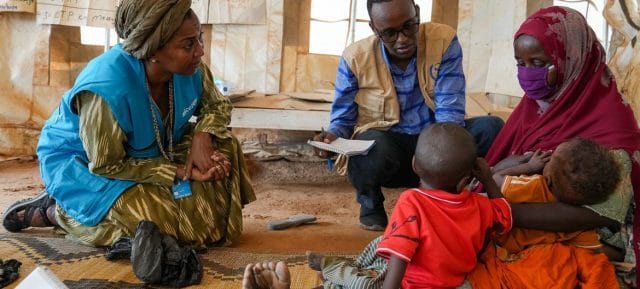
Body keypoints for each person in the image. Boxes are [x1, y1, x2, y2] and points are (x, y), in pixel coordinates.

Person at [1, 0, 255, 249]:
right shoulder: (107, 90)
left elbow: (217, 105)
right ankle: (60, 212)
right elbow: (106, 164)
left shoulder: (193, 69)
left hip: (153, 149)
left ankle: (176, 222)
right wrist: (175, 171)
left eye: (200, 38)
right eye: (188, 44)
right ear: (153, 50)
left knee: (225, 145)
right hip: (85, 165)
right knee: (153, 223)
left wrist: (203, 137)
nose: (200, 51)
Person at [312, 0, 504, 231]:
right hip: (392, 152)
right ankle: (370, 202)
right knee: (366, 145)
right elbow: (342, 120)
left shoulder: (443, 41)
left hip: (437, 146)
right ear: (374, 29)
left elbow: (450, 115)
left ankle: (465, 197)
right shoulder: (355, 58)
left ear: (418, 14)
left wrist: (438, 159)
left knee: (491, 128)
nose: (402, 39)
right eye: (390, 33)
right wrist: (330, 138)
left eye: (408, 26)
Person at [484, 5, 640, 286]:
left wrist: (502, 212)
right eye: (520, 63)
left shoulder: (612, 126)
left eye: (539, 63)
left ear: (572, 58)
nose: (527, 74)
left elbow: (603, 212)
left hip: (591, 233)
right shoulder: (536, 106)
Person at [468, 138, 622, 288]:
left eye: (552, 157)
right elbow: (601, 250)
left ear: (547, 178)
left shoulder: (532, 186)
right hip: (513, 256)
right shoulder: (578, 227)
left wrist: (528, 167)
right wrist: (623, 253)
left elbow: (497, 179)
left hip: (490, 238)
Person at [375, 123, 512, 289]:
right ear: (465, 180)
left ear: (414, 165)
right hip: (459, 284)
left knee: (380, 245)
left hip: (414, 285)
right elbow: (505, 216)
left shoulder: (411, 201)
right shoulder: (480, 205)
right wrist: (487, 179)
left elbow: (400, 253)